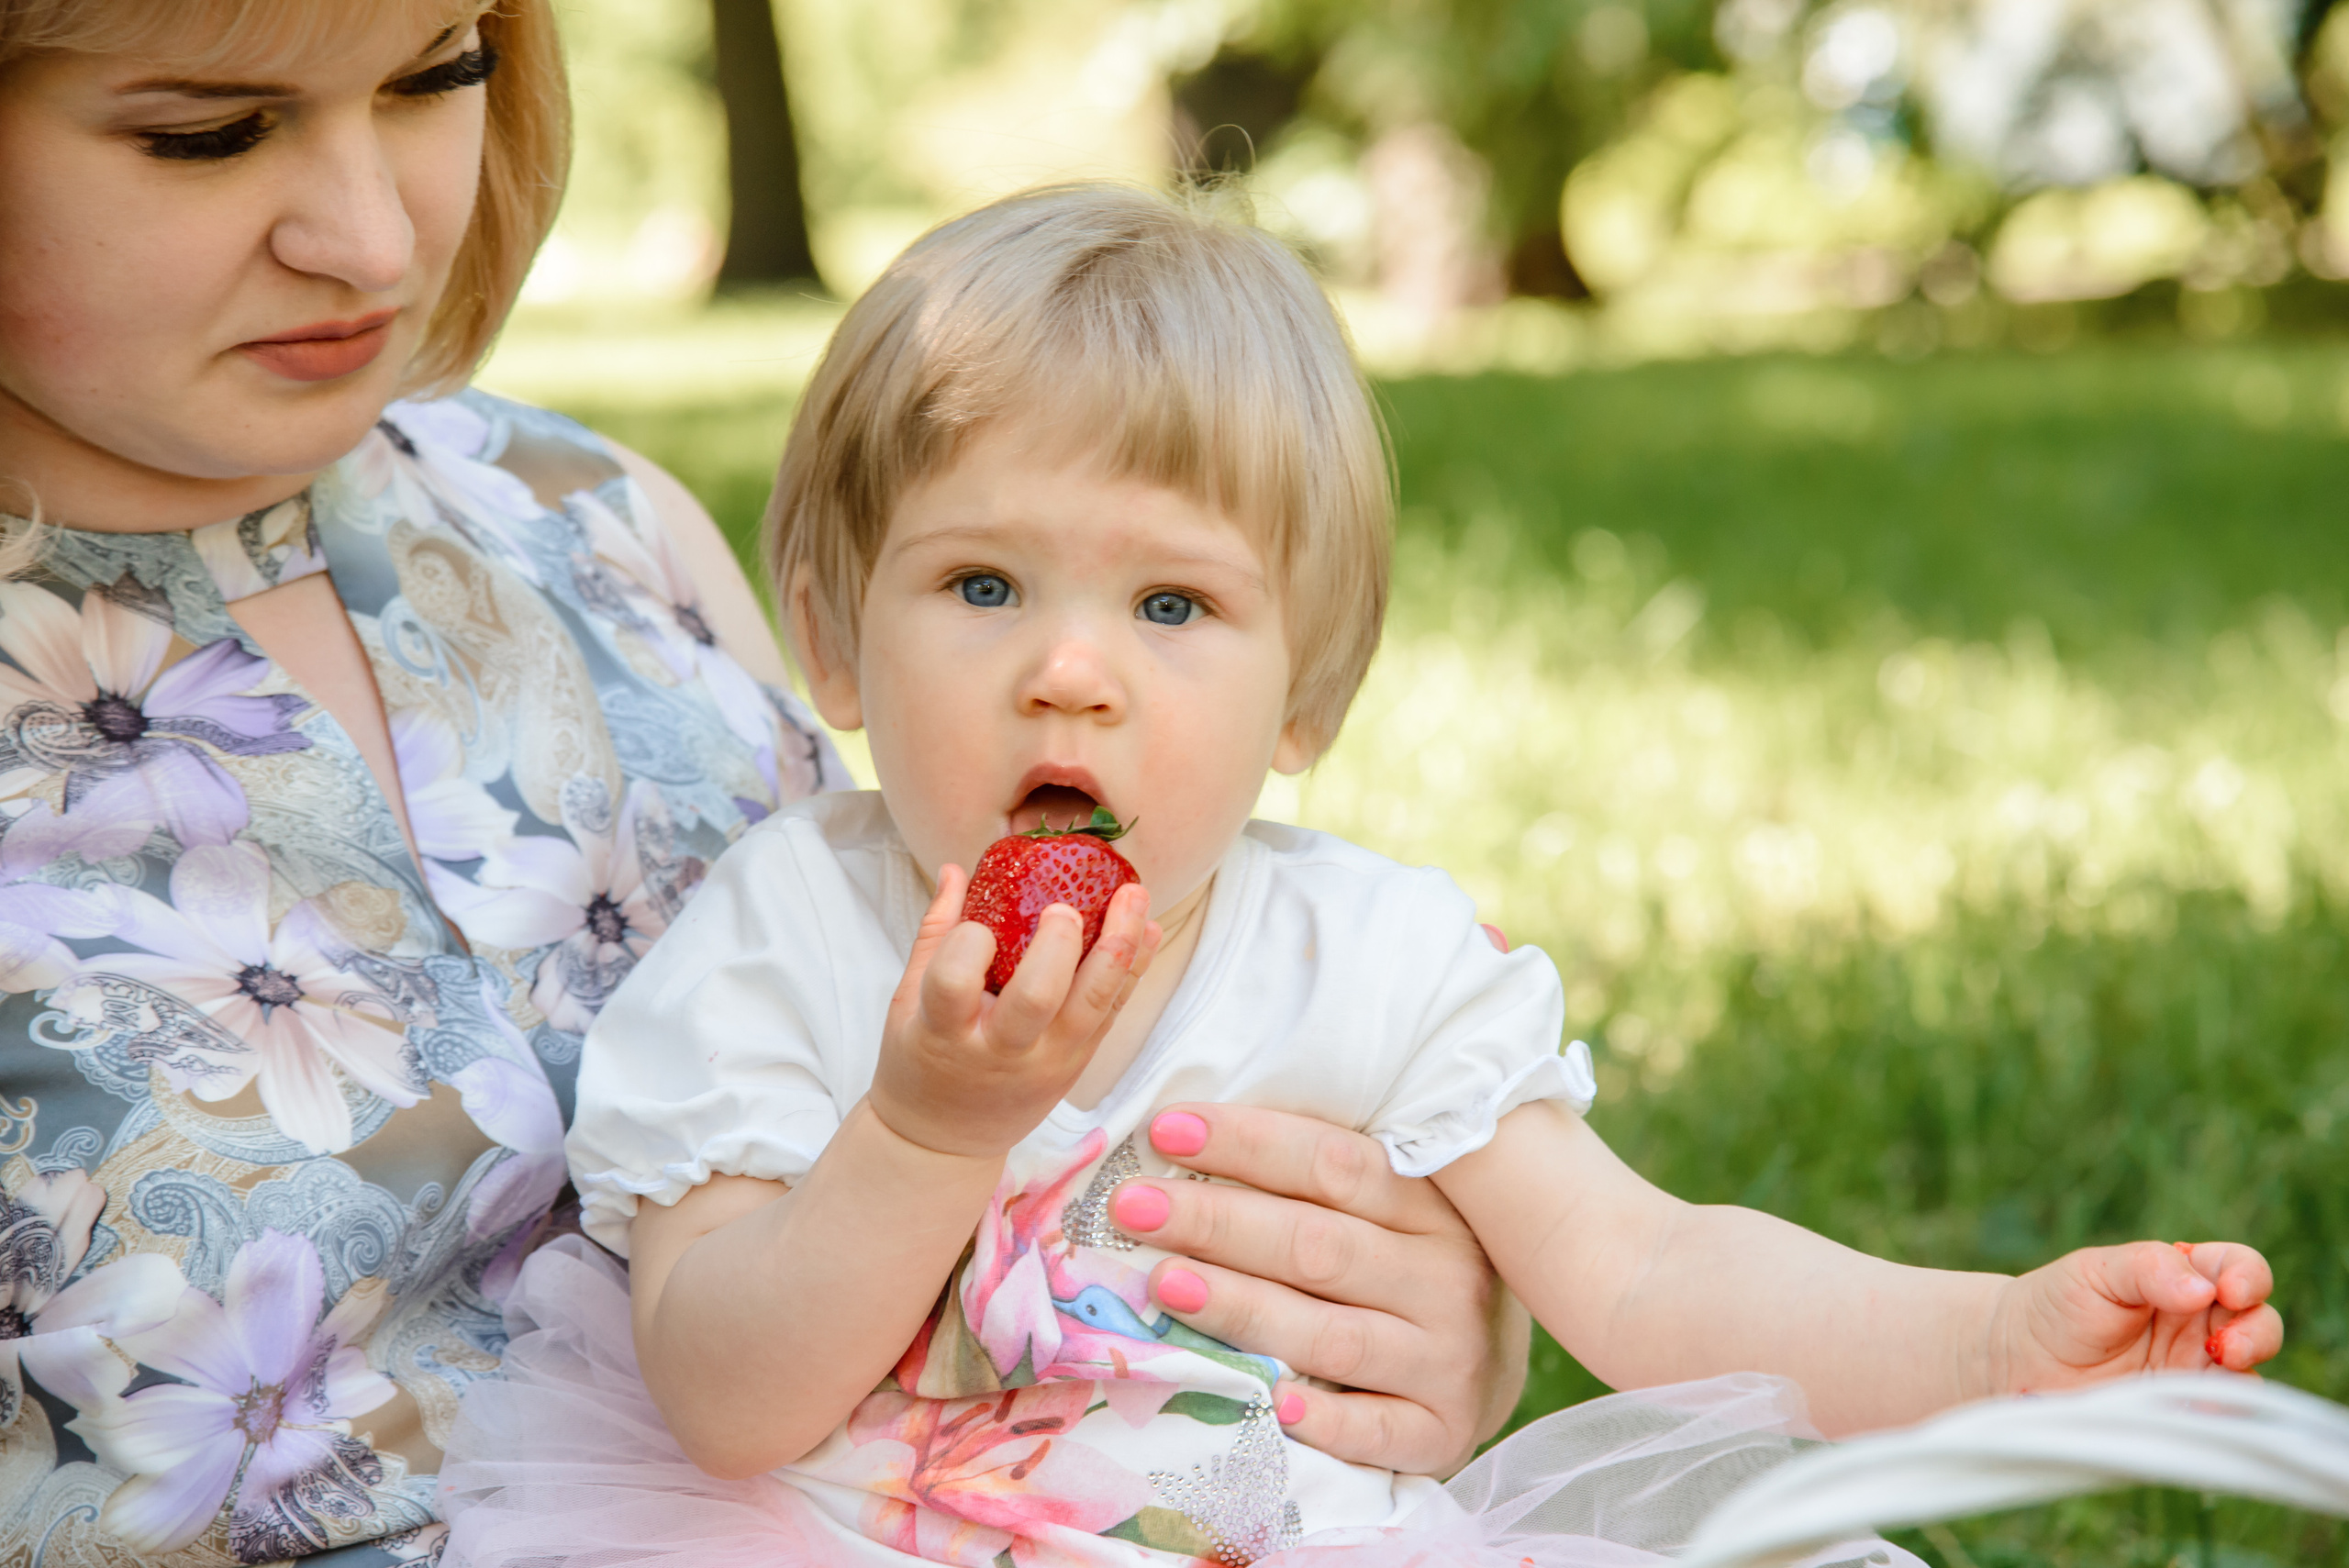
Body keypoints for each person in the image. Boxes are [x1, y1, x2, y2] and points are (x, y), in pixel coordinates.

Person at [434, 183, 2285, 1568]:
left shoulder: (1371, 958)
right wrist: (925, 1127)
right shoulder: (781, 936)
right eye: (981, 585)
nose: (1068, 668)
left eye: (1172, 605)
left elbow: (1645, 1270)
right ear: (832, 645)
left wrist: (1977, 1336)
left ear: (1301, 695)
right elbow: (726, 1395)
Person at [0, 7, 1526, 1565]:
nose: (371, 234)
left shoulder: (597, 528)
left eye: (432, 76)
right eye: (204, 131)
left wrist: (1393, 1326)